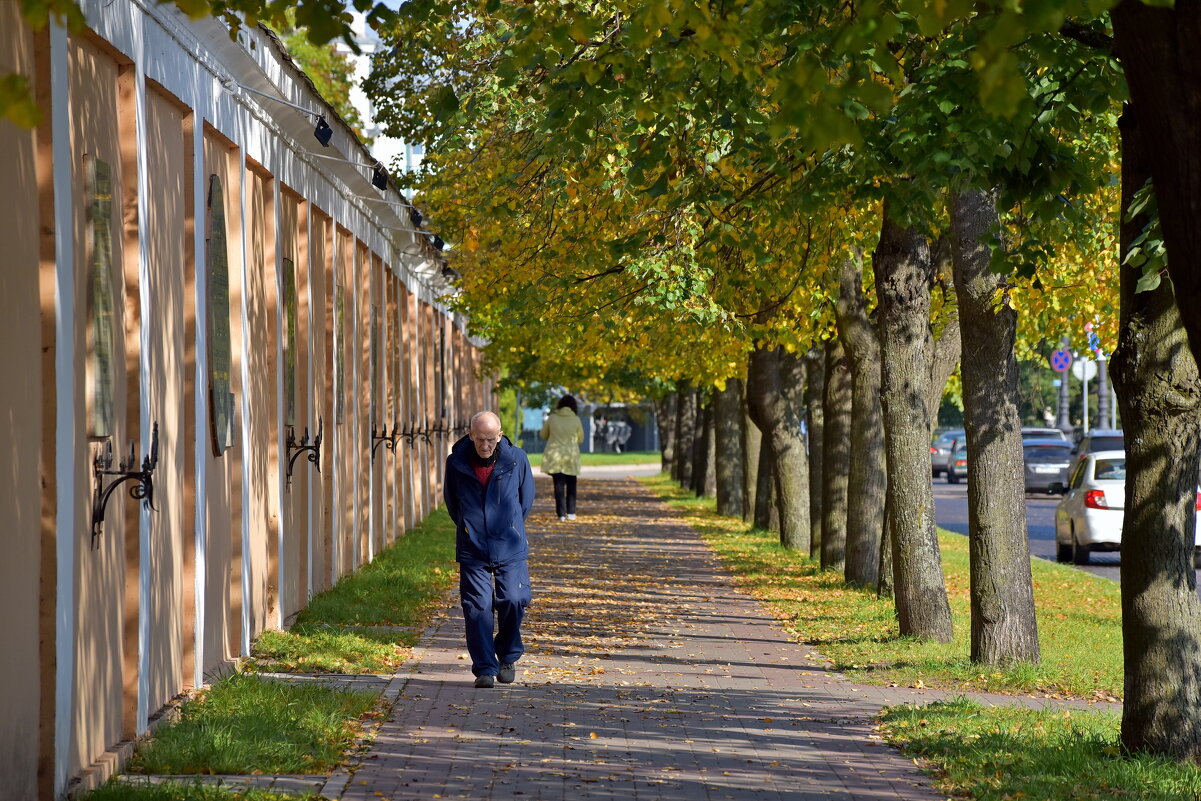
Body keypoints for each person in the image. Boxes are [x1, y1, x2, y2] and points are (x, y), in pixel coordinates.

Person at [443, 411, 535, 688]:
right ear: (471, 435)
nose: (485, 445)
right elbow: (452, 503)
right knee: (478, 607)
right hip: (473, 546)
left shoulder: (516, 459)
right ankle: (484, 667)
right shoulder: (456, 462)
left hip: (509, 543)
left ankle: (507, 655)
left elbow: (525, 500)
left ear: (500, 434)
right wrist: (470, 527)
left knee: (514, 599)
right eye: (480, 439)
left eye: (491, 439)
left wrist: (510, 527)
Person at [540, 395, 585, 521]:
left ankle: (561, 514)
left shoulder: (552, 418)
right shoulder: (576, 419)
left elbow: (543, 435)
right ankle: (572, 512)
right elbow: (581, 439)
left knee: (558, 486)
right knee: (572, 485)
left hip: (555, 455)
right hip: (571, 455)